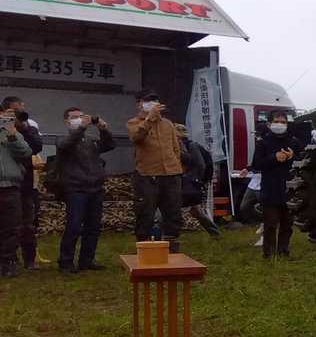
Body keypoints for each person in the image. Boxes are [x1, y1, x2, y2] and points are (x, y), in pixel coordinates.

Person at [54, 107, 115, 273]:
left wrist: (103, 130)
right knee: (74, 226)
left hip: (95, 188)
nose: (79, 119)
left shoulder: (90, 140)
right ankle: (66, 261)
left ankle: (87, 260)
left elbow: (109, 145)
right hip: (75, 189)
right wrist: (81, 128)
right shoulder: (62, 139)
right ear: (66, 121)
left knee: (93, 226)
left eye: (81, 116)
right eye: (74, 117)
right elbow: (67, 144)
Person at [127, 91, 186, 252]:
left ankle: (171, 247)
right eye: (147, 101)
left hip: (171, 174)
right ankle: (144, 247)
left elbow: (175, 148)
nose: (151, 104)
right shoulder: (134, 122)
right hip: (147, 175)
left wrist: (176, 166)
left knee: (173, 212)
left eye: (154, 101)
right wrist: (149, 119)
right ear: (139, 104)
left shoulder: (168, 124)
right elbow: (136, 137)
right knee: (145, 212)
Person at [0, 96, 45, 270]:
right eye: (14, 110)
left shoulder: (22, 127)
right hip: (11, 184)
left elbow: (32, 148)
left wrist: (18, 128)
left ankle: (24, 260)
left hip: (21, 184)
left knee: (22, 225)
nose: (19, 112)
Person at [252, 112, 299, 259]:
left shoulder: (293, 142)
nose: (280, 124)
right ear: (269, 124)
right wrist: (274, 158)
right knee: (271, 224)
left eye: (283, 122)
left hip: (289, 189)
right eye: (277, 121)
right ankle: (269, 253)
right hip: (270, 188)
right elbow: (256, 164)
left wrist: (292, 157)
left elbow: (303, 162)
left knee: (287, 224)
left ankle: (283, 251)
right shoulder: (263, 143)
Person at [0, 107, 34, 278]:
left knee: (11, 227)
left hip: (10, 186)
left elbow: (26, 153)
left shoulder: (11, 132)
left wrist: (12, 135)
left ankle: (8, 262)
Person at [177, 125, 221, 237]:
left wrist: (196, 180)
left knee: (187, 208)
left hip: (191, 182)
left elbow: (200, 165)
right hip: (190, 181)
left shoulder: (191, 146)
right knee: (195, 210)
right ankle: (215, 232)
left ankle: (170, 234)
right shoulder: (185, 145)